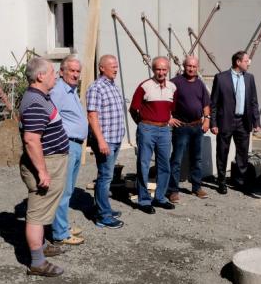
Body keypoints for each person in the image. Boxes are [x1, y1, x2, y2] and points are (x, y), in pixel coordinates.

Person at [19, 57, 70, 276]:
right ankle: (37, 262)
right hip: (46, 163)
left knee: (43, 209)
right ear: (40, 76)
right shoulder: (35, 102)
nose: (56, 75)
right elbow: (31, 140)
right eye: (52, 72)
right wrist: (42, 171)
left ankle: (41, 246)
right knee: (37, 214)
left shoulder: (40, 97)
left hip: (52, 161)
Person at [129, 56, 177, 214]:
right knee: (143, 164)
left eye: (164, 69)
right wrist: (143, 124)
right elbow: (133, 109)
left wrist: (168, 119)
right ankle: (144, 200)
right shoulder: (145, 86)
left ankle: (160, 197)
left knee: (164, 165)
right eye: (158, 69)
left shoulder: (172, 87)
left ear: (168, 70)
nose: (161, 72)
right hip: (147, 129)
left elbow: (171, 109)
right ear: (153, 70)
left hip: (164, 130)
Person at [210, 51, 261, 194]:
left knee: (242, 153)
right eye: (246, 61)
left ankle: (240, 181)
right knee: (222, 151)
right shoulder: (221, 78)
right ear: (238, 62)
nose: (248, 63)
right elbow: (213, 103)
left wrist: (256, 121)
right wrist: (213, 123)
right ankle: (221, 181)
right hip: (225, 121)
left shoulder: (250, 78)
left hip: (243, 121)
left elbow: (253, 102)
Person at [49, 56, 87, 244]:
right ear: (61, 72)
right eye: (71, 70)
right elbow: (51, 118)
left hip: (76, 144)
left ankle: (62, 225)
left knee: (69, 189)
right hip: (67, 144)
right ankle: (60, 232)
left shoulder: (71, 91)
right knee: (63, 191)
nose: (75, 74)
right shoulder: (58, 91)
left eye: (77, 71)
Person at [87, 55, 126, 229]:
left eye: (117, 65)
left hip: (116, 138)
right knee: (105, 177)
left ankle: (102, 207)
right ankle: (103, 216)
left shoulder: (113, 86)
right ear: (102, 67)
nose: (116, 68)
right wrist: (101, 140)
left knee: (106, 176)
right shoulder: (96, 88)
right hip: (106, 140)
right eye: (112, 66)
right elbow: (92, 116)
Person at [167, 55, 212, 203]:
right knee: (177, 159)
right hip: (181, 128)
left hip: (197, 126)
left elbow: (206, 104)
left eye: (194, 66)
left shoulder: (200, 84)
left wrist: (207, 120)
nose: (191, 69)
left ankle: (196, 187)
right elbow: (165, 101)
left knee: (197, 159)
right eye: (188, 66)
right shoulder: (175, 82)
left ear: (197, 67)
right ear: (184, 67)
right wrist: (169, 118)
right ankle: (173, 190)